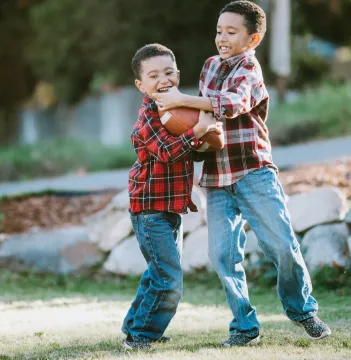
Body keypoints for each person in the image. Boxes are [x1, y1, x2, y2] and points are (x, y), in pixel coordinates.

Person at [151, 1, 331, 347]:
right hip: (217, 178)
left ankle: (302, 310)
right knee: (222, 256)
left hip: (253, 172)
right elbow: (206, 120)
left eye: (231, 32)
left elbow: (231, 105)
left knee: (281, 246)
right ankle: (245, 326)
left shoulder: (249, 67)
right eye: (219, 31)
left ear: (253, 38)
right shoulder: (208, 67)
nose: (222, 38)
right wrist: (190, 130)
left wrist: (180, 99)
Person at [122, 43, 222, 350]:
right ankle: (142, 336)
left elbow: (192, 151)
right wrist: (198, 132)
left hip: (171, 209)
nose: (163, 79)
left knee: (158, 273)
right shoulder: (147, 120)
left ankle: (134, 326)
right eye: (153, 75)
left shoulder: (181, 111)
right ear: (141, 85)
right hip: (149, 211)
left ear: (177, 74)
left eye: (168, 72)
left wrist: (206, 137)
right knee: (169, 280)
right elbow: (166, 152)